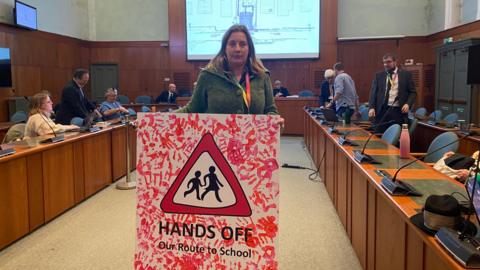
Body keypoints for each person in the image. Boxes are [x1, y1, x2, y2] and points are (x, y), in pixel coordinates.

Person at [176, 24, 279, 115]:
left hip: (253, 137)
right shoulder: (208, 75)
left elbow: (271, 110)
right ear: (224, 48)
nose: (237, 49)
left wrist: (276, 122)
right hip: (216, 137)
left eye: (242, 44)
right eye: (232, 44)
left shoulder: (262, 76)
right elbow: (191, 109)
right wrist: (162, 118)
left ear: (249, 49)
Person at [368, 53, 416, 132]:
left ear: (395, 62)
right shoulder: (379, 75)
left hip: (397, 111)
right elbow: (373, 93)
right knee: (378, 135)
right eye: (384, 62)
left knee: (395, 136)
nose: (386, 64)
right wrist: (371, 107)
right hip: (381, 111)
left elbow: (413, 92)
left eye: (389, 62)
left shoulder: (406, 75)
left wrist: (408, 103)